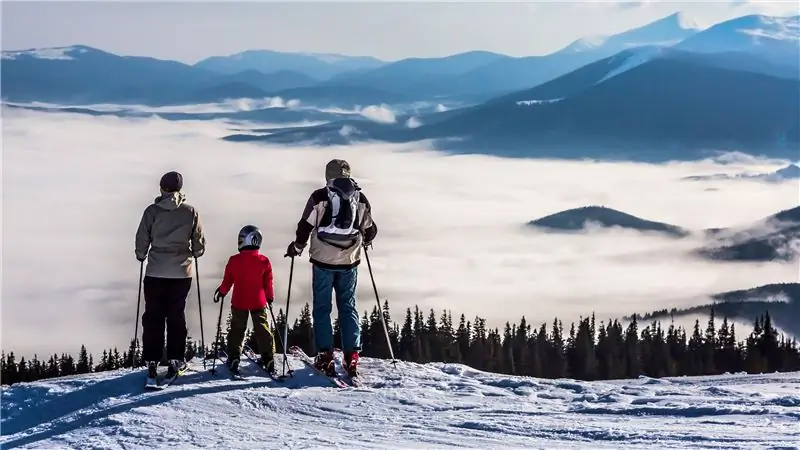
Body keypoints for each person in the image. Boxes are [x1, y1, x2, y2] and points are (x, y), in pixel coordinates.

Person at [285, 159, 377, 377]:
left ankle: (325, 356)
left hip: (322, 261)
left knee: (322, 308)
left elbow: (305, 226)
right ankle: (352, 355)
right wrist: (364, 239)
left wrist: (297, 247)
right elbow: (370, 230)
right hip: (350, 261)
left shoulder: (319, 197)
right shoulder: (360, 197)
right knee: (347, 306)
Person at [135, 171, 206, 382]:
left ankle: (152, 360)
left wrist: (141, 255)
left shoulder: (152, 211)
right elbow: (199, 244)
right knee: (176, 315)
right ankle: (176, 358)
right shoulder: (190, 212)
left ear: (162, 188)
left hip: (155, 272)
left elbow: (142, 239)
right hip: (181, 273)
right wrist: (194, 253)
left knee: (153, 316)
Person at [213, 225, 277, 376]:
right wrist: (270, 296)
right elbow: (268, 283)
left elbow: (228, 280)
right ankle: (268, 358)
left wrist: (222, 292)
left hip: (239, 301)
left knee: (237, 329)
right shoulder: (264, 261)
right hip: (258, 301)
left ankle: (234, 357)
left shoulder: (234, 260)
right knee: (262, 329)